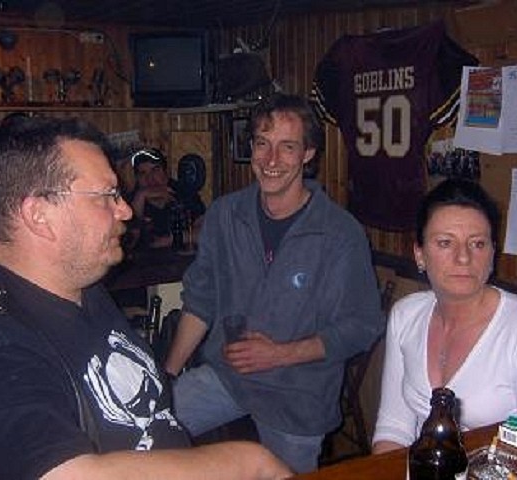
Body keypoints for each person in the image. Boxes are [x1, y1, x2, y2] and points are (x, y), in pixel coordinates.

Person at [0, 116, 291, 480]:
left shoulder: (81, 287)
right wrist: (248, 461)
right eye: (107, 195)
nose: (124, 209)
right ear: (38, 216)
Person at [164, 93, 385, 473]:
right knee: (141, 431)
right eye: (262, 144)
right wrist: (165, 381)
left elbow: (361, 326)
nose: (271, 160)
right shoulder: (224, 215)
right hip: (228, 376)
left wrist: (280, 354)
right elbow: (200, 301)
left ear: (308, 154)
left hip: (297, 393)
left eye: (287, 147)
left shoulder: (339, 233)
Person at [372, 178, 517, 454]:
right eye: (445, 243)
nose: (463, 258)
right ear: (419, 254)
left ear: (492, 254)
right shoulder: (406, 315)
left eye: (477, 244)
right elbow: (393, 428)